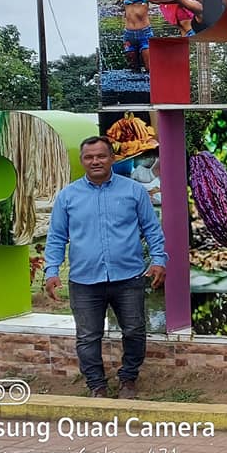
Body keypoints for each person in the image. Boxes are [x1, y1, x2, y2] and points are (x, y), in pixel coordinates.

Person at [44, 136, 167, 399]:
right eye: (89, 157)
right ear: (82, 161)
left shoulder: (133, 191)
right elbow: (56, 237)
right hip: (85, 281)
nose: (95, 161)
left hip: (128, 277)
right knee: (88, 336)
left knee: (134, 331)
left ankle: (128, 379)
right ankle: (96, 386)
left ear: (112, 158)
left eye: (101, 156)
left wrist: (159, 260)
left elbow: (152, 229)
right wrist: (51, 270)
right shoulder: (68, 196)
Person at [121, 0, 152, 74]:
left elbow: (153, 0)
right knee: (133, 69)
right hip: (128, 35)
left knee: (149, 68)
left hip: (145, 34)